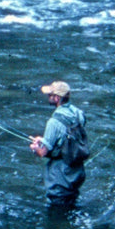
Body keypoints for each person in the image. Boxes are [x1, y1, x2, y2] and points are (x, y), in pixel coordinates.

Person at [29, 80, 88, 208]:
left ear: (57, 98)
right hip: (77, 172)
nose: (48, 97)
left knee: (58, 209)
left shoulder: (53, 122)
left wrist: (35, 148)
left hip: (61, 176)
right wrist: (44, 139)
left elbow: (43, 152)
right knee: (72, 202)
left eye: (50, 95)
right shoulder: (79, 113)